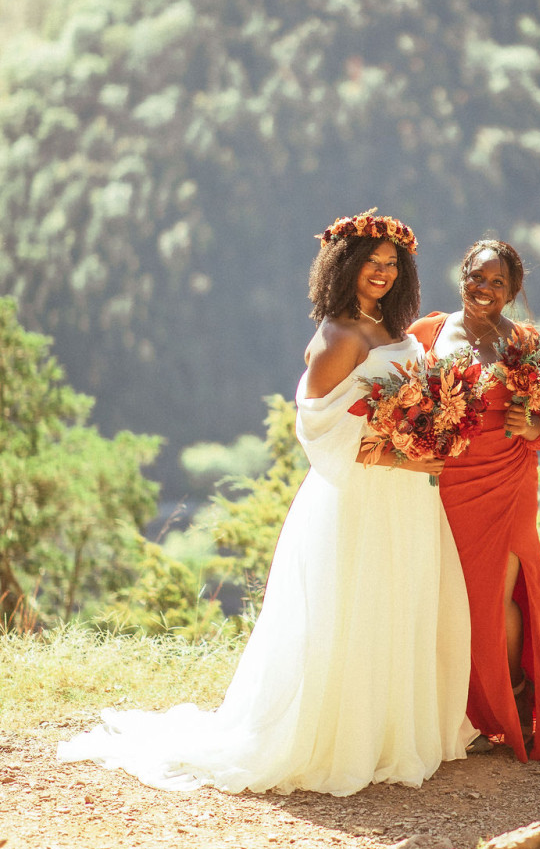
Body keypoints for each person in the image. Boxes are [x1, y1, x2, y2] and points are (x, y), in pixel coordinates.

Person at [58, 211, 474, 796]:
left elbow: (401, 399)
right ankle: (341, 740)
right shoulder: (337, 336)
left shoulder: (388, 324)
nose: (381, 272)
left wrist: (434, 428)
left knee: (397, 601)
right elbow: (317, 428)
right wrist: (400, 455)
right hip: (360, 496)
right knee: (355, 609)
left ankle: (391, 731)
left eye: (391, 263)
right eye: (370, 262)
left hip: (408, 497)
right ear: (345, 265)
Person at [410, 239, 540, 763]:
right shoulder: (428, 332)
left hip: (508, 482)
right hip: (447, 484)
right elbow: (403, 396)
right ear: (462, 274)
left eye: (498, 282)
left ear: (512, 291)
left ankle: (517, 699)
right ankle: (466, 713)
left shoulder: (528, 346)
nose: (485, 289)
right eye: (477, 276)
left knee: (498, 597)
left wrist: (534, 425)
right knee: (454, 597)